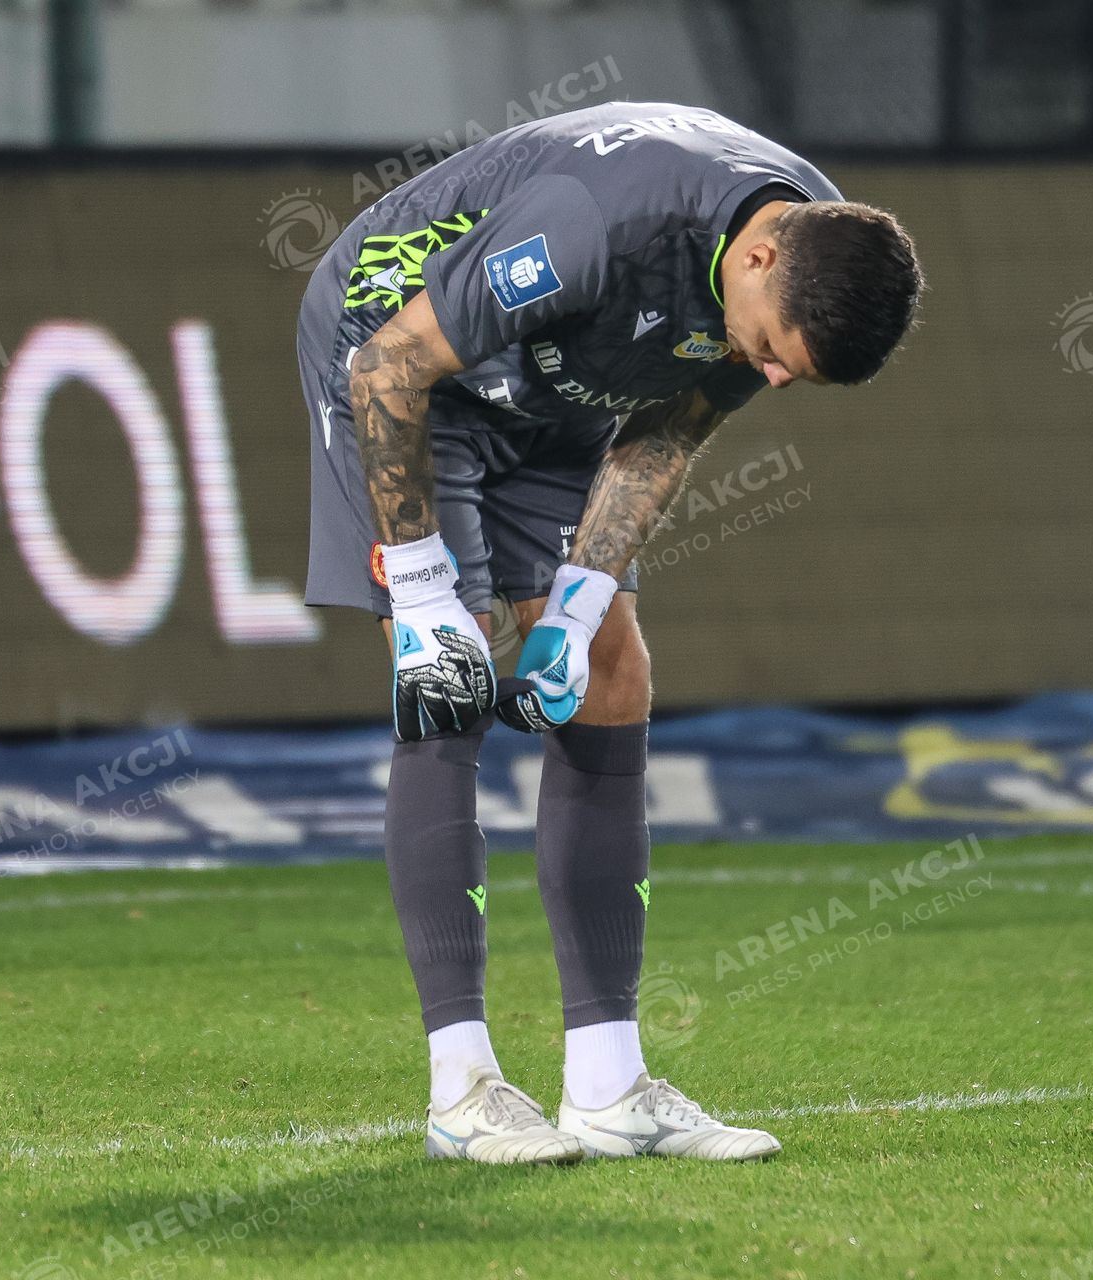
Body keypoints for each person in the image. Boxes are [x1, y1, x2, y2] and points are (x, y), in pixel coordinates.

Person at [299, 102, 921, 1163]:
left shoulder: (803, 252)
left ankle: (607, 1086)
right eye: (775, 355)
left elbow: (668, 427)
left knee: (610, 671)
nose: (769, 377)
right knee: (453, 675)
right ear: (758, 260)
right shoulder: (593, 226)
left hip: (558, 376)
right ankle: (462, 1089)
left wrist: (580, 604)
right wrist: (423, 596)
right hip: (405, 354)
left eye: (790, 374)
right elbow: (391, 368)